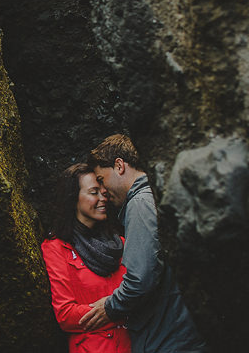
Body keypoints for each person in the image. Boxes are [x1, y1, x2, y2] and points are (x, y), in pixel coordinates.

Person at [80, 134, 205, 353]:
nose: (103, 191)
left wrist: (110, 307)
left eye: (101, 179)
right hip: (184, 332)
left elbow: (141, 278)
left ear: (119, 165)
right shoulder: (157, 195)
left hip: (168, 340)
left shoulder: (139, 203)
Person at [42, 163, 132, 353]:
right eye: (93, 192)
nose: (102, 198)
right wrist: (118, 309)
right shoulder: (57, 248)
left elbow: (142, 296)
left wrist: (111, 308)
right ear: (73, 199)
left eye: (103, 192)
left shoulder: (121, 243)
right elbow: (66, 315)